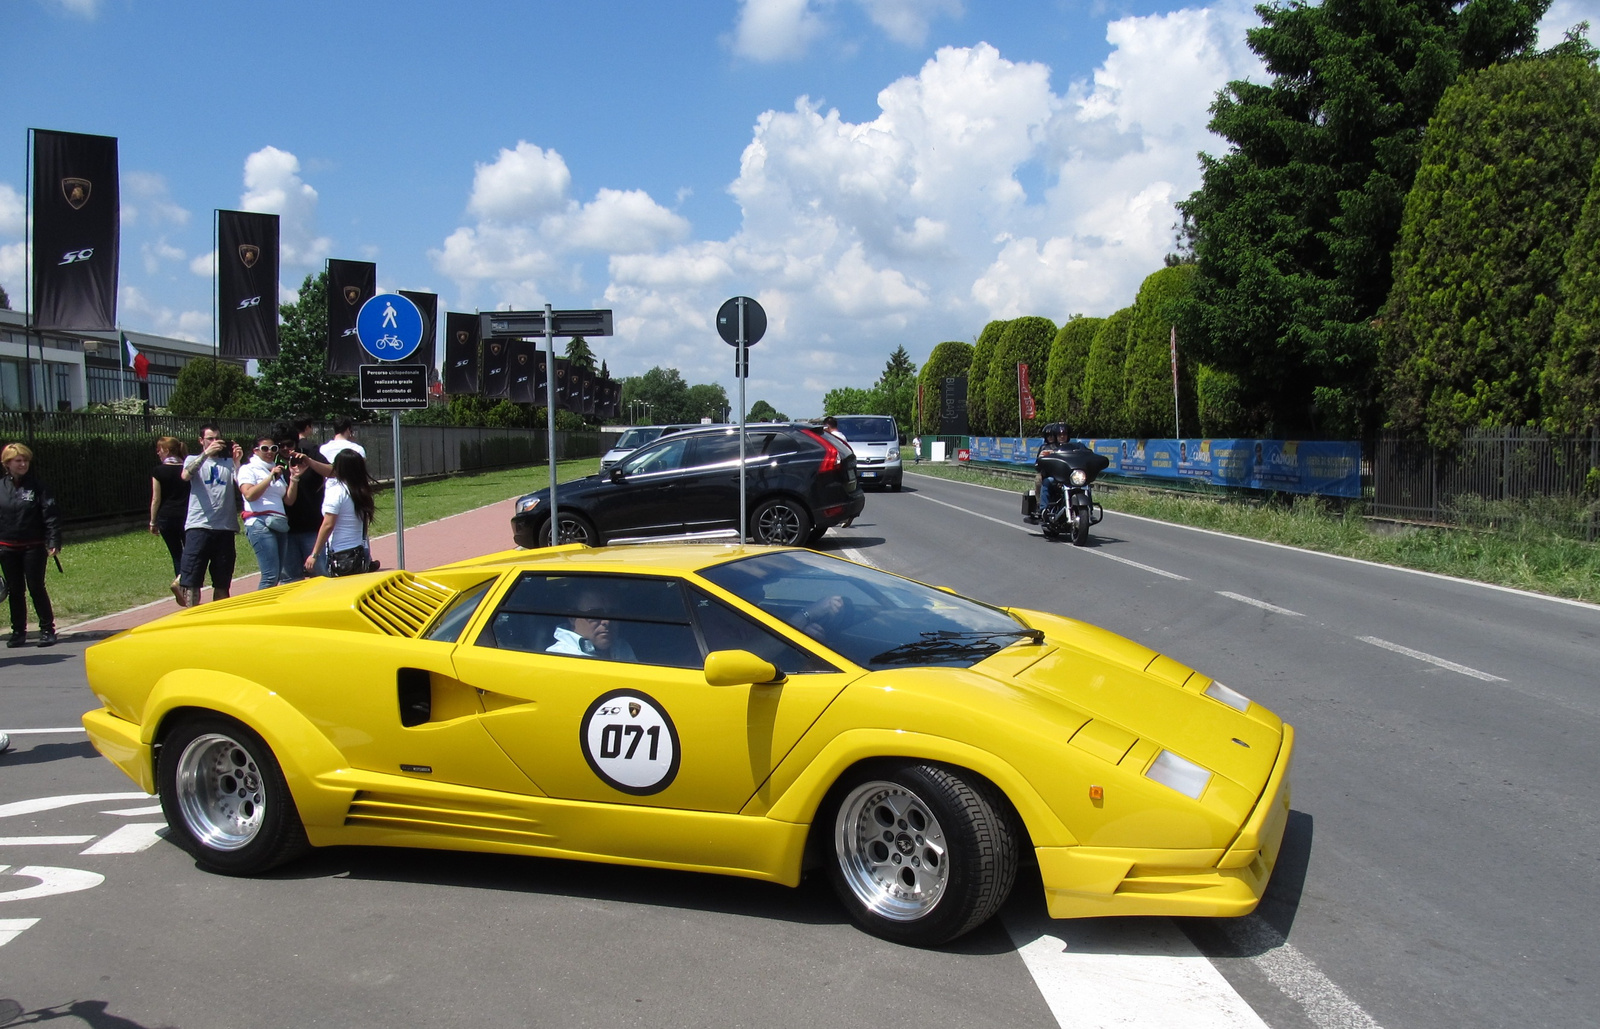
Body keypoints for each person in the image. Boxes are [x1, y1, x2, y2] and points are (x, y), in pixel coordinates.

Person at [0, 443, 62, 647]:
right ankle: (18, 631)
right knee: (15, 589)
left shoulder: (38, 487)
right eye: (18, 461)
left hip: (33, 546)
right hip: (7, 547)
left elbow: (50, 515)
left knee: (36, 587)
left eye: (25, 460)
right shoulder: (1, 487)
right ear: (7, 463)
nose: (23, 464)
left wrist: (53, 540)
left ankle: (47, 629)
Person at [178, 425, 244, 608]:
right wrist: (206, 454)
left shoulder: (228, 463)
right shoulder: (194, 459)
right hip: (199, 526)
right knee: (192, 580)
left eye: (217, 439)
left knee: (222, 581)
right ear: (201, 441)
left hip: (225, 528)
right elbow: (185, 475)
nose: (214, 442)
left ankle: (220, 619)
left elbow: (242, 486)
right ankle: (192, 619)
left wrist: (238, 462)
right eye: (210, 439)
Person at [237, 436, 294, 589]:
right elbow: (249, 494)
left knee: (278, 575)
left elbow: (288, 500)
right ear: (255, 450)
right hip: (259, 523)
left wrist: (294, 479)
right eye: (265, 449)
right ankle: (258, 610)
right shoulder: (248, 469)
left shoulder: (275, 470)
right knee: (270, 575)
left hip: (279, 523)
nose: (270, 452)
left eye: (273, 449)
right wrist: (270, 477)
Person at [309, 450, 375, 577]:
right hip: (360, 549)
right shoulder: (361, 491)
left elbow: (328, 524)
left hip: (342, 554)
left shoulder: (337, 492)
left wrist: (314, 554)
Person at [274, 424, 324, 581]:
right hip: (286, 531)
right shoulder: (274, 465)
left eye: (289, 444)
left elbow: (332, 471)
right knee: (290, 579)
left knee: (320, 575)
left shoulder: (309, 455)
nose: (286, 448)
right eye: (281, 445)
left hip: (311, 526)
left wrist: (310, 462)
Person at [148, 436, 189, 604]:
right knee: (191, 552)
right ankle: (185, 583)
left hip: (166, 517)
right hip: (187, 516)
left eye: (159, 449)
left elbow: (156, 498)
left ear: (166, 450)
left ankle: (181, 582)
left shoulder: (159, 471)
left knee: (176, 554)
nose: (157, 453)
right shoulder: (187, 469)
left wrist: (153, 521)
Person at [547, 592, 637, 660]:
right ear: (572, 617)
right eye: (596, 614)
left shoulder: (621, 647)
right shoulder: (556, 657)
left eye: (612, 613)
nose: (607, 621)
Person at [823, 417, 856, 529]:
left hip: (836, 468)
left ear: (827, 426)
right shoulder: (842, 436)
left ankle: (844, 515)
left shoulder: (832, 437)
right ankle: (846, 515)